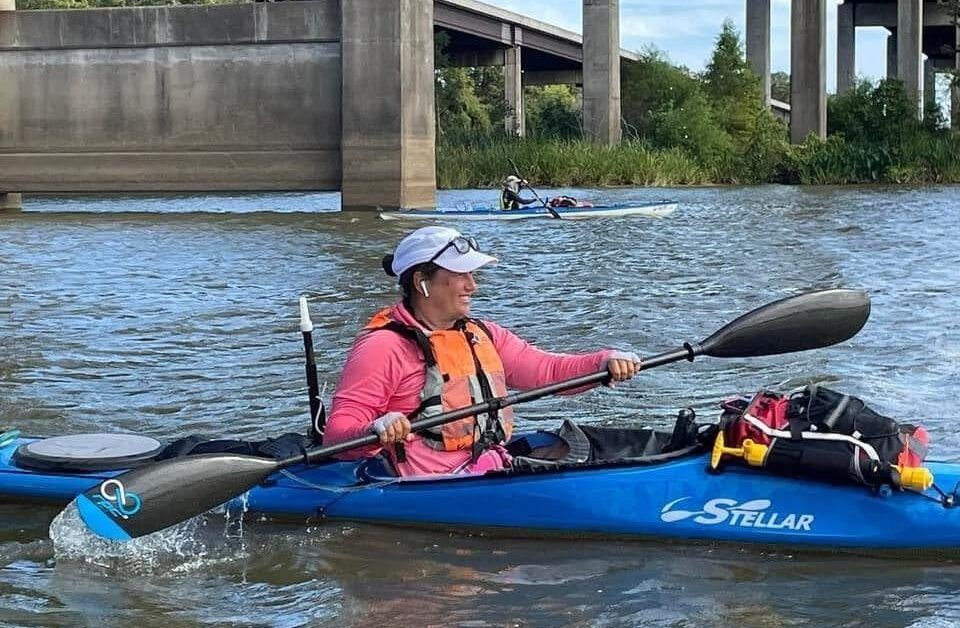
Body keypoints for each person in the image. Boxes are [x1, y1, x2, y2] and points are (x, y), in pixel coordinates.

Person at [323, 226, 642, 477]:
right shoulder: (383, 346)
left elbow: (548, 371)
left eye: (471, 274)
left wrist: (605, 361)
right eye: (461, 275)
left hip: (487, 467)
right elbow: (338, 434)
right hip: (431, 488)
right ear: (422, 282)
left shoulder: (481, 334)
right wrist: (376, 429)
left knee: (576, 448)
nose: (472, 285)